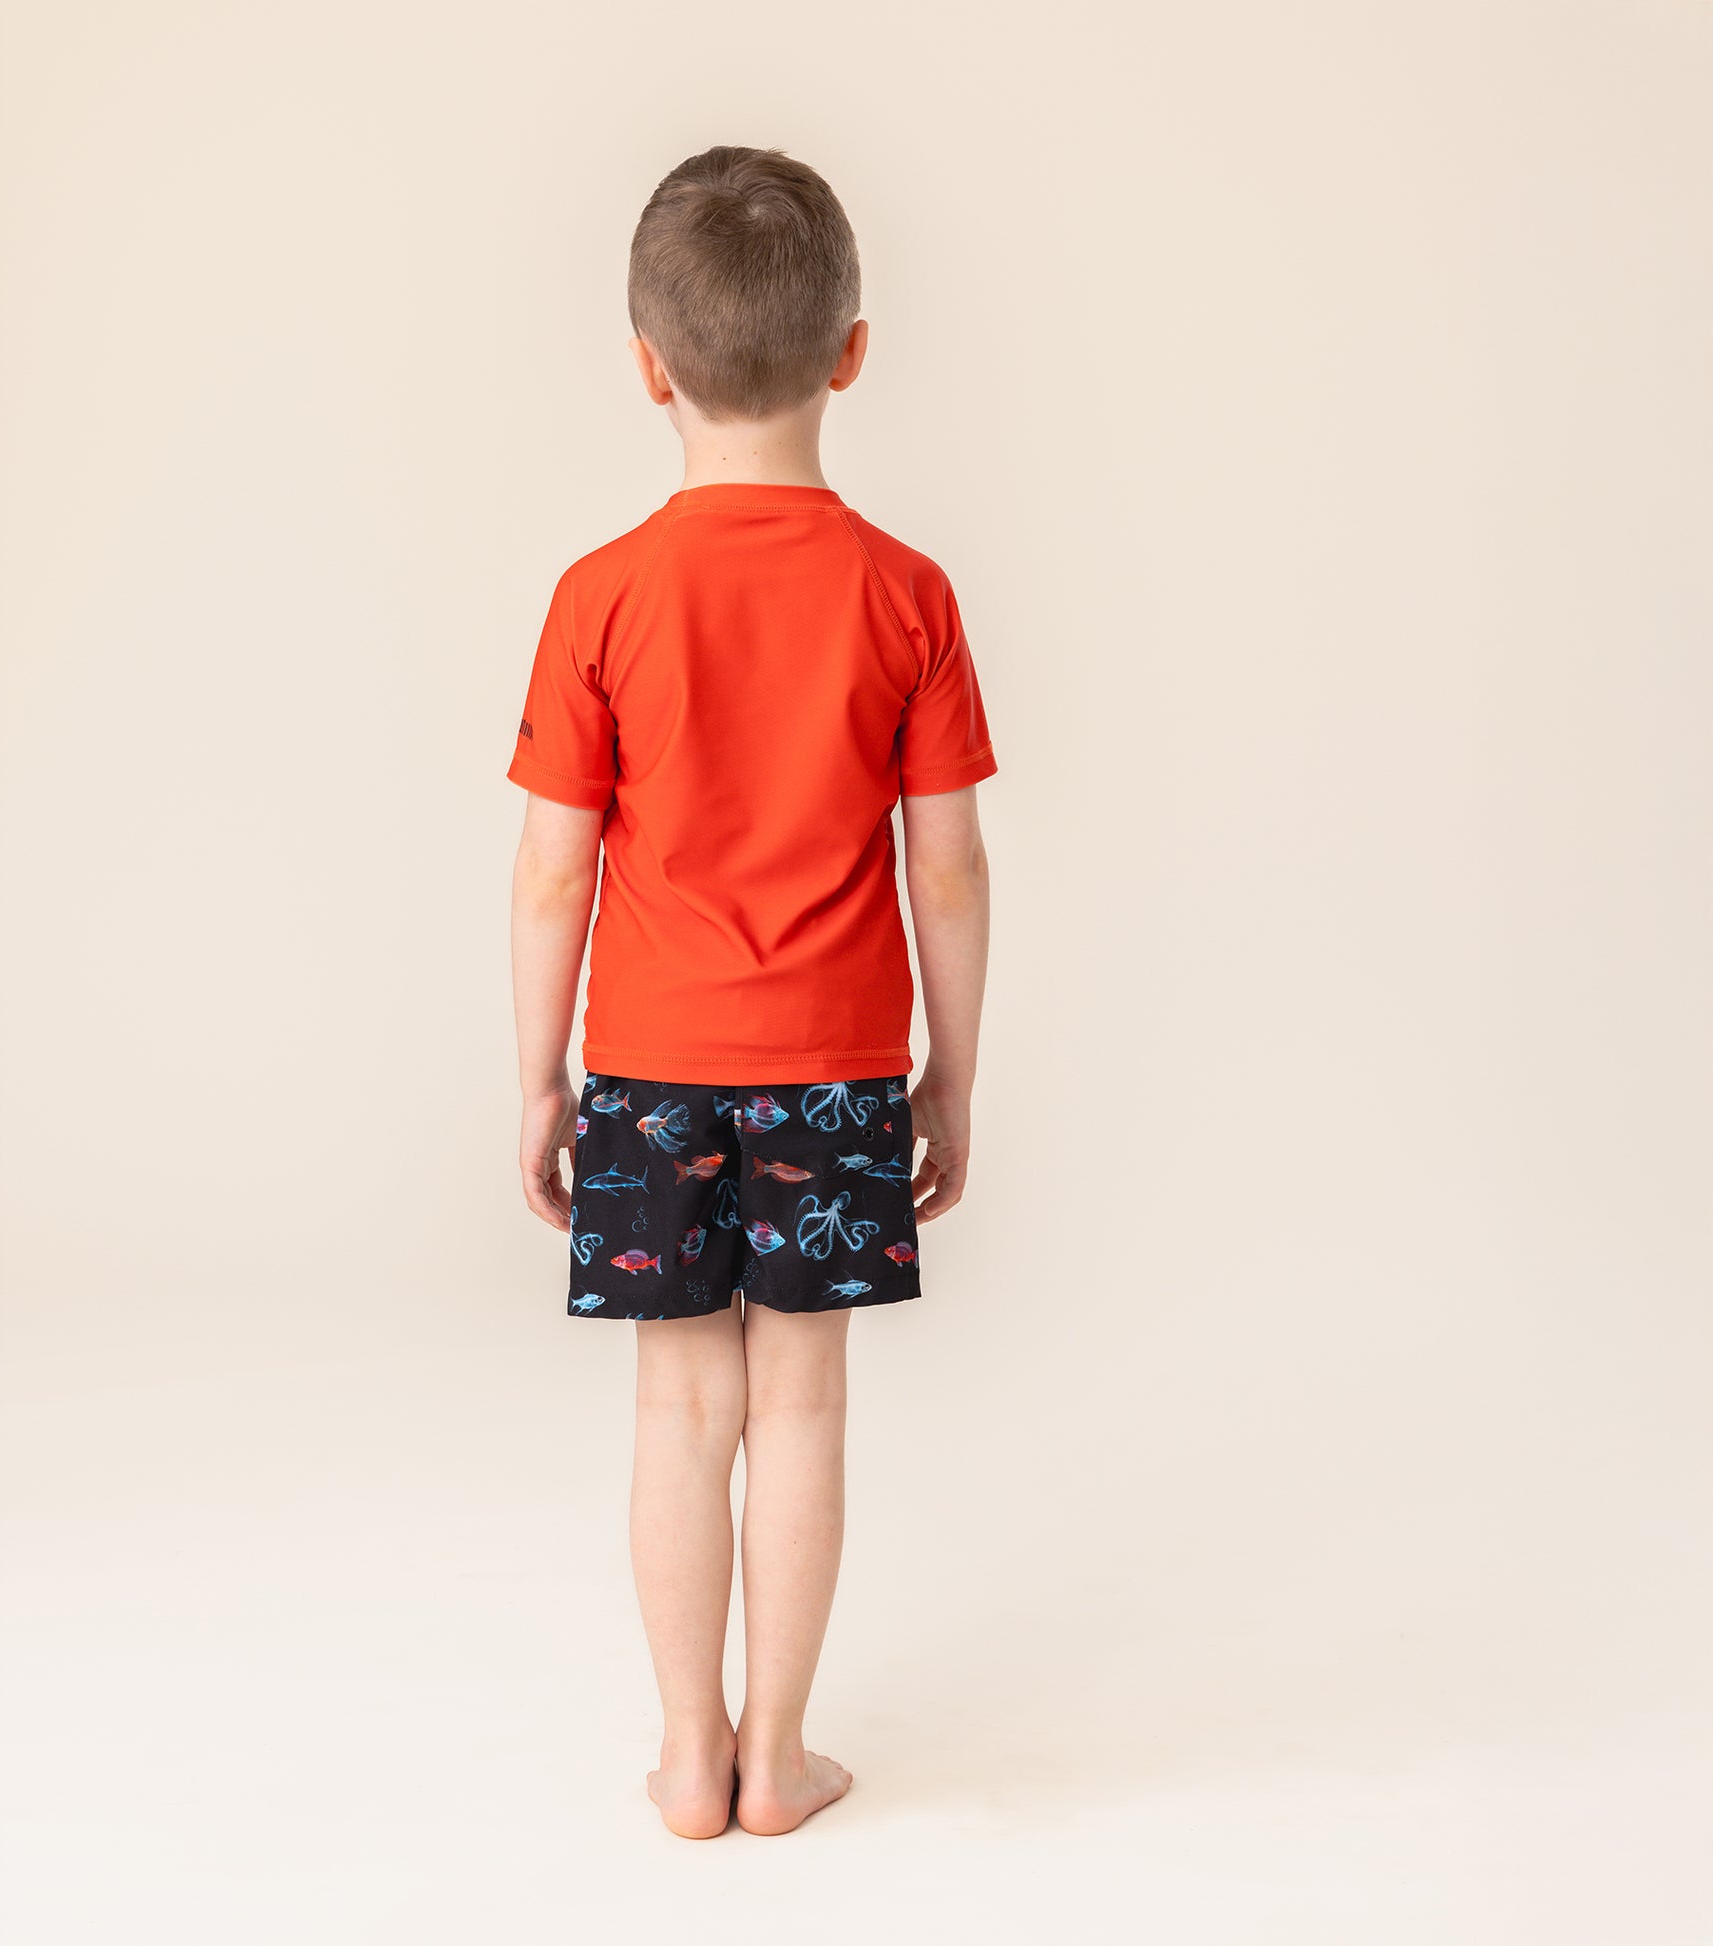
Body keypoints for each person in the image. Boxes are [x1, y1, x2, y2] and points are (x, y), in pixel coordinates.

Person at [506, 146, 995, 1838]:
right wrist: (952, 1069)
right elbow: (947, 866)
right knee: (798, 1402)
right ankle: (778, 1755)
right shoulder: (906, 594)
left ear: (648, 365)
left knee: (678, 1405)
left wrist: (540, 1079)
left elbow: (554, 870)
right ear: (849, 351)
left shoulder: (600, 596)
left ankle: (684, 1753)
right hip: (835, 1069)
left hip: (648, 1067)